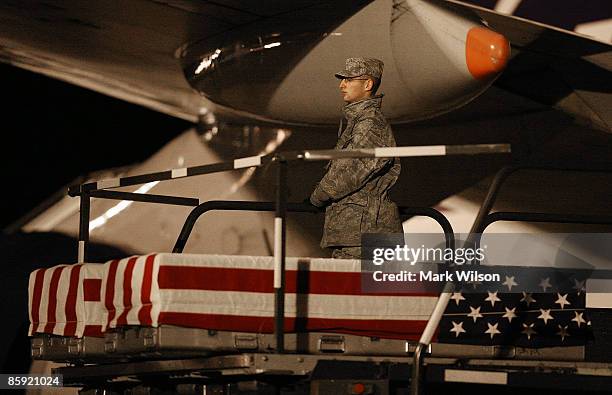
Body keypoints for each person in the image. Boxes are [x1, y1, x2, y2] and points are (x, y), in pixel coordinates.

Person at [309, 57, 403, 259]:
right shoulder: (358, 121)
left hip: (366, 235)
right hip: (354, 233)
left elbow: (355, 170)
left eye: (349, 79)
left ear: (368, 84)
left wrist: (319, 196)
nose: (342, 85)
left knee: (364, 290)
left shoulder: (369, 123)